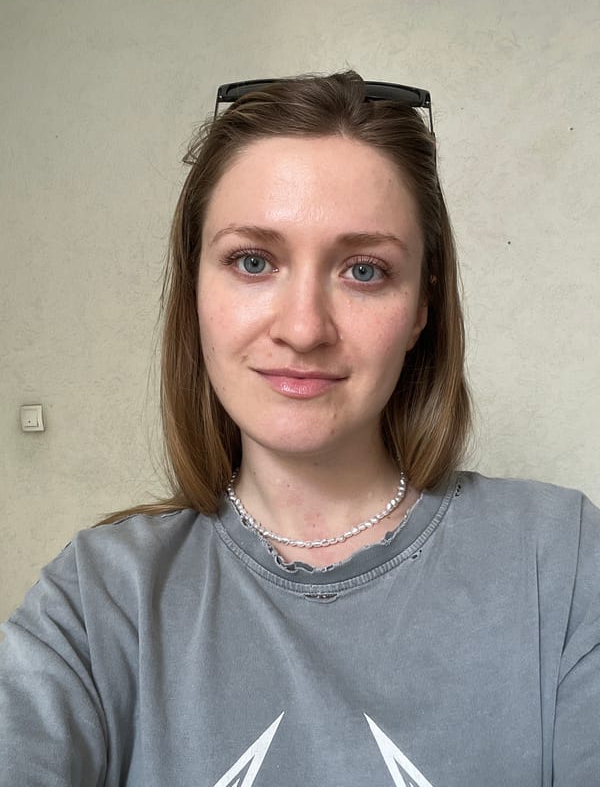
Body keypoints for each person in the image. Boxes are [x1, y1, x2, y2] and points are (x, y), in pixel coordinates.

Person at [1, 72, 598, 787]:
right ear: (195, 290)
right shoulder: (99, 598)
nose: (304, 328)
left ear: (421, 308)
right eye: (253, 262)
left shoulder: (561, 563)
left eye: (364, 270)